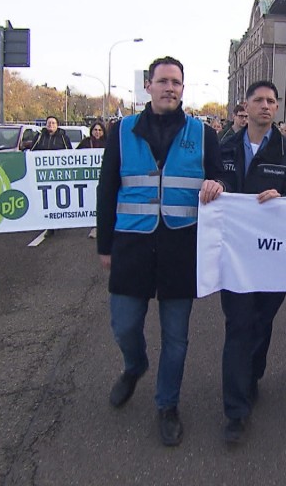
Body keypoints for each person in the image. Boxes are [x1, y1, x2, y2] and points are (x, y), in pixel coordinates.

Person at [96, 56, 224, 447]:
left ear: (183, 88)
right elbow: (107, 189)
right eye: (163, 81)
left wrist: (218, 184)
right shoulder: (122, 131)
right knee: (124, 325)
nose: (170, 88)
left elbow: (220, 178)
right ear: (148, 86)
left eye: (176, 82)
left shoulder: (203, 134)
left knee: (176, 338)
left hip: (181, 248)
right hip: (131, 245)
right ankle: (135, 365)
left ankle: (167, 405)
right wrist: (104, 246)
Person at [215, 80, 286, 444]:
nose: (266, 105)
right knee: (239, 326)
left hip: (273, 259)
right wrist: (215, 187)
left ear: (277, 107)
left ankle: (252, 375)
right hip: (235, 257)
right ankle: (236, 411)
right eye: (259, 100)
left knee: (261, 322)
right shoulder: (222, 148)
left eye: (272, 100)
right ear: (246, 105)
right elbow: (213, 182)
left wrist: (283, 197)